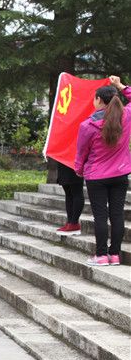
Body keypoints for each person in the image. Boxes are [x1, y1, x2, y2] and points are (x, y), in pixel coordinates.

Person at [74, 76, 131, 266]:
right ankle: (114, 255)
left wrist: (79, 170)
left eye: (94, 98)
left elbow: (81, 152)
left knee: (100, 216)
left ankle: (101, 255)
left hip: (96, 176)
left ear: (99, 100)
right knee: (117, 215)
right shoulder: (126, 117)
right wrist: (120, 85)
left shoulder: (87, 126)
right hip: (120, 174)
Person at [56, 163, 84, 235]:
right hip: (63, 161)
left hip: (74, 162)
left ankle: (74, 223)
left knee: (76, 192)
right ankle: (69, 222)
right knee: (68, 193)